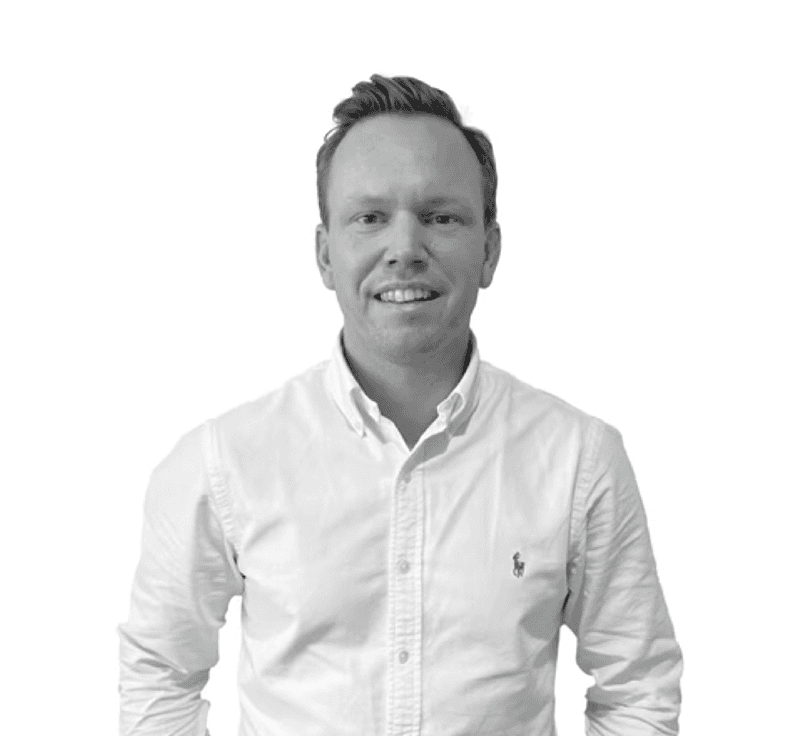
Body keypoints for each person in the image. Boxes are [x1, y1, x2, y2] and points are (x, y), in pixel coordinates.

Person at [117, 74, 683, 736]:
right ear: (325, 255)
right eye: (370, 217)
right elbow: (160, 672)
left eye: (441, 217)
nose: (406, 249)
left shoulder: (579, 459)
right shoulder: (223, 460)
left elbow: (637, 682)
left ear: (489, 251)